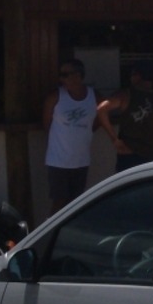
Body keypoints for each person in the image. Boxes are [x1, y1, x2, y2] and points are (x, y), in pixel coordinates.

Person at [94, 63, 153, 172]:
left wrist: (114, 139)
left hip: (127, 154)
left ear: (137, 76)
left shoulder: (125, 95)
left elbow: (101, 109)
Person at [43, 58, 100, 215]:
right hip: (58, 160)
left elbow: (100, 118)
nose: (62, 79)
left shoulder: (94, 97)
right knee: (59, 201)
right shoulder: (55, 97)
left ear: (78, 75)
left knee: (77, 202)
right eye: (61, 75)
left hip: (81, 160)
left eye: (66, 74)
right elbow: (46, 124)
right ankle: (50, 234)